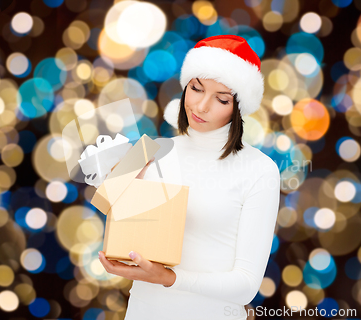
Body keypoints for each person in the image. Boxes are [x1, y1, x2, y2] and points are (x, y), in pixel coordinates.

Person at [98, 35, 281, 320]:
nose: (201, 106)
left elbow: (246, 287)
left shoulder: (259, 169)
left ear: (238, 108)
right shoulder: (149, 149)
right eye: (196, 88)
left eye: (221, 99)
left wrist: (170, 278)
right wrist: (118, 189)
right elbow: (110, 223)